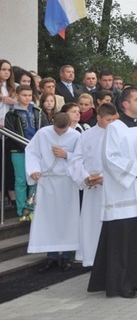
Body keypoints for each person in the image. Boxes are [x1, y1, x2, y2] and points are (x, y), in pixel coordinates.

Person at [88, 87, 137, 299]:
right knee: (125, 241)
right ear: (125, 104)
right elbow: (110, 158)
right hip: (126, 193)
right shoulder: (115, 128)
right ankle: (122, 285)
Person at [26, 112, 88, 272]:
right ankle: (51, 256)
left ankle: (66, 256)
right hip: (48, 181)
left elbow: (82, 157)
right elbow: (31, 152)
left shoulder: (75, 135)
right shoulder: (43, 133)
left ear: (69, 125)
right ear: (53, 122)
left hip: (67, 182)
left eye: (63, 130)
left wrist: (67, 154)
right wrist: (34, 170)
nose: (60, 133)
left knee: (67, 219)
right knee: (48, 219)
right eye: (57, 130)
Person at [76, 103, 117, 267]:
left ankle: (113, 258)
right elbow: (76, 159)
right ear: (98, 118)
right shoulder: (86, 136)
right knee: (93, 223)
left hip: (113, 185)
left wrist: (105, 177)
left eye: (114, 119)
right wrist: (85, 177)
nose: (112, 123)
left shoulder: (120, 134)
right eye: (108, 120)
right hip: (93, 187)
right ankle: (93, 259)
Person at [4, 85, 42, 218]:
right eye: (24, 95)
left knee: (34, 178)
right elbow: (10, 132)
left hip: (36, 151)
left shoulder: (37, 111)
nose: (27, 98)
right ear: (17, 96)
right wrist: (26, 146)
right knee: (20, 180)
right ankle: (22, 210)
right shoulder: (11, 113)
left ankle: (31, 207)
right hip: (18, 150)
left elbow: (43, 130)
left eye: (29, 95)